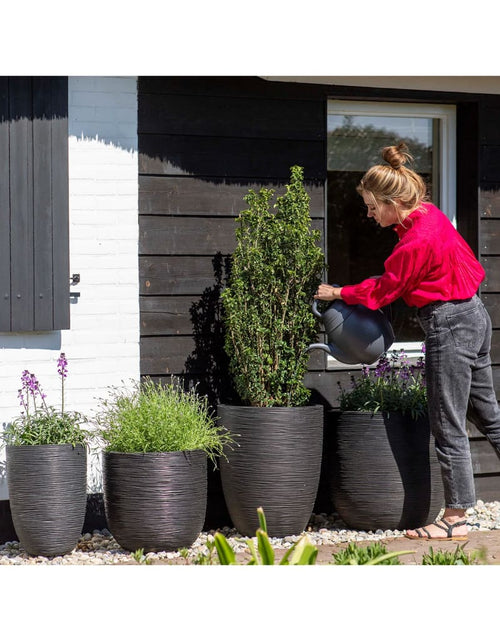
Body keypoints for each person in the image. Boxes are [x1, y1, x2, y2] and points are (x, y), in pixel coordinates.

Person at [315, 142, 500, 542]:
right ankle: (458, 512)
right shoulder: (428, 217)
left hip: (450, 324)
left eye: (370, 206)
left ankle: (455, 517)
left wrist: (338, 293)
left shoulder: (415, 244)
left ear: (392, 201)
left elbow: (384, 291)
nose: (367, 214)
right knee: (488, 416)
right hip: (474, 315)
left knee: (446, 421)